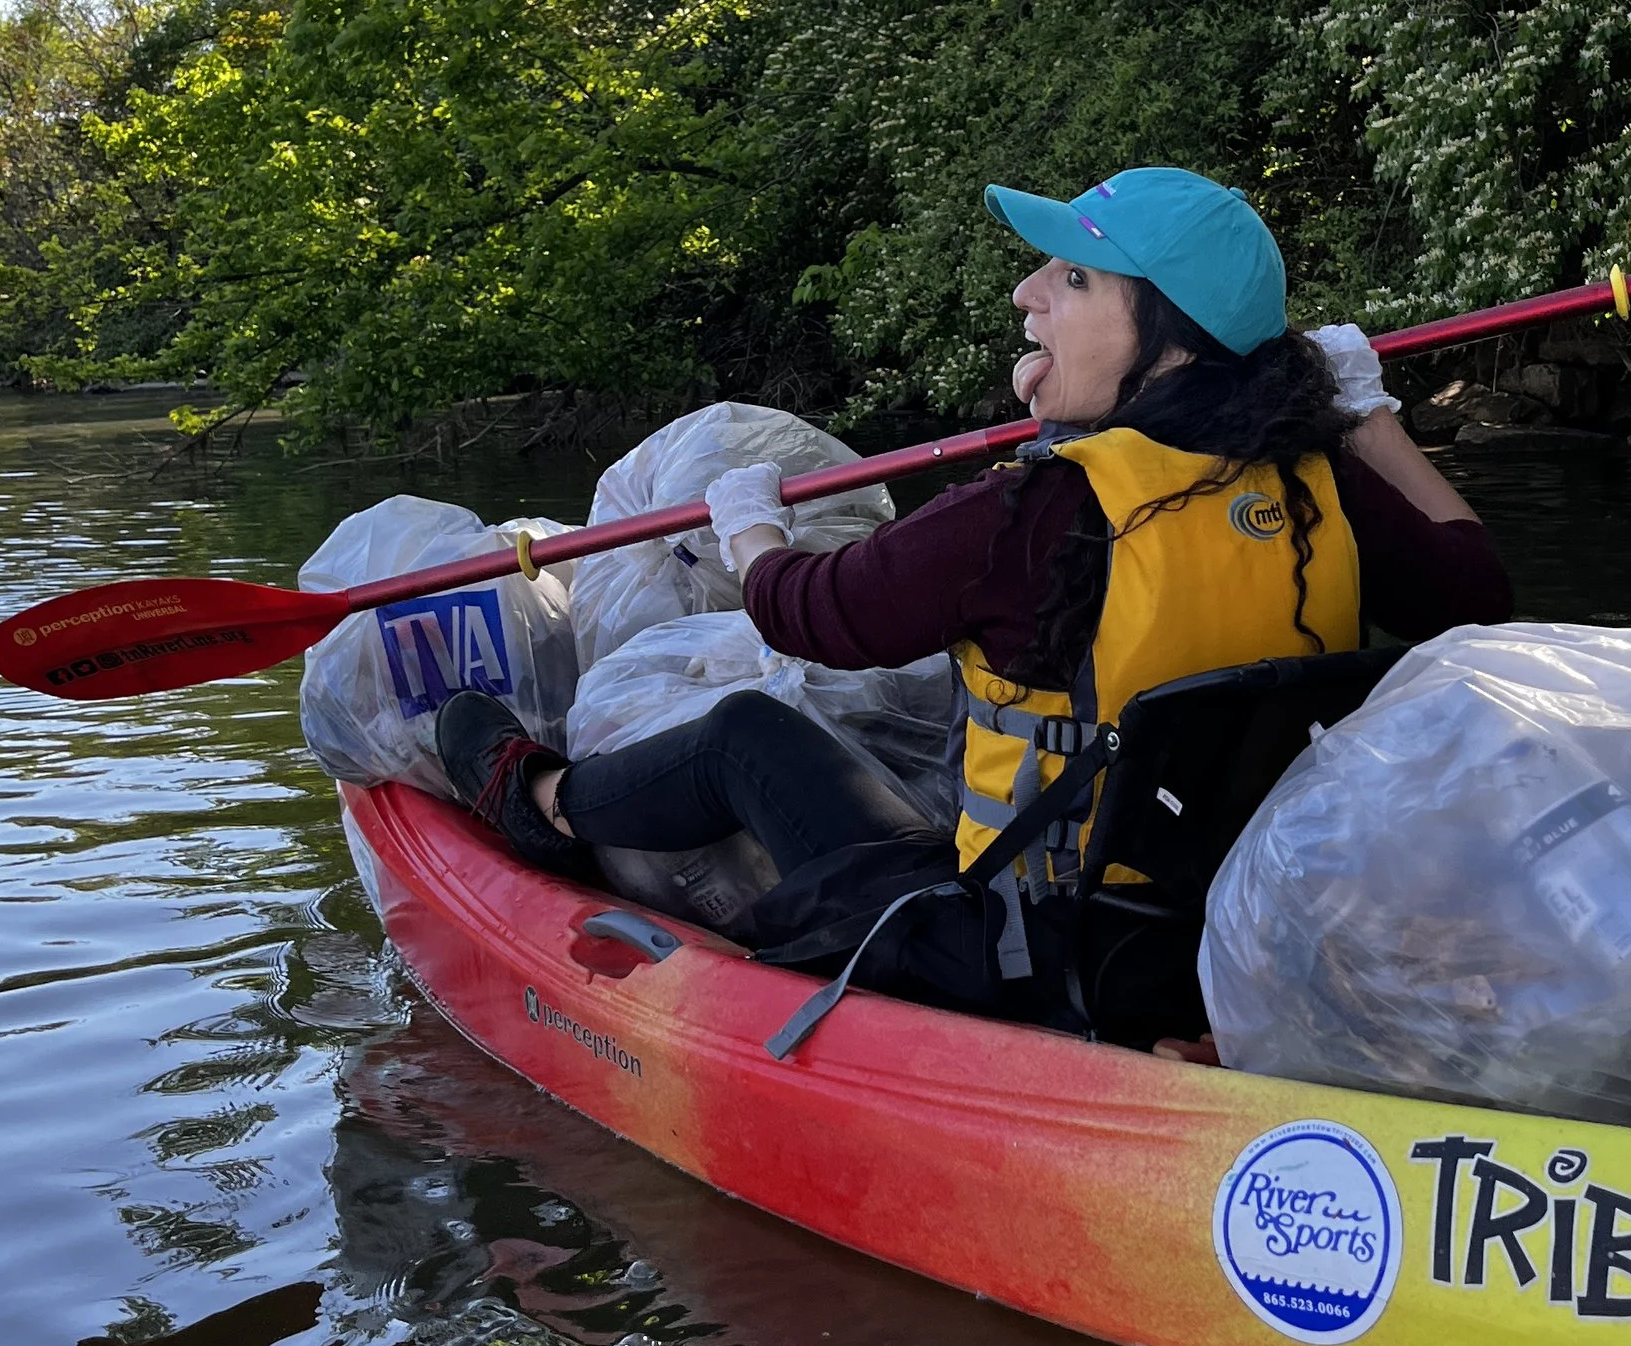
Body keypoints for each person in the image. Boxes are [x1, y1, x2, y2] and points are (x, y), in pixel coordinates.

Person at [437, 167, 1511, 1033]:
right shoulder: (1314, 486)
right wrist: (1363, 417)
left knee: (745, 733)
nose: (1027, 295)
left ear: (1170, 334)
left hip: (1028, 957)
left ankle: (540, 807)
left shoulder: (1041, 510)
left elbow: (806, 613)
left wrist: (747, 523)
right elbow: (1476, 597)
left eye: (1075, 283)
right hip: (1233, 935)